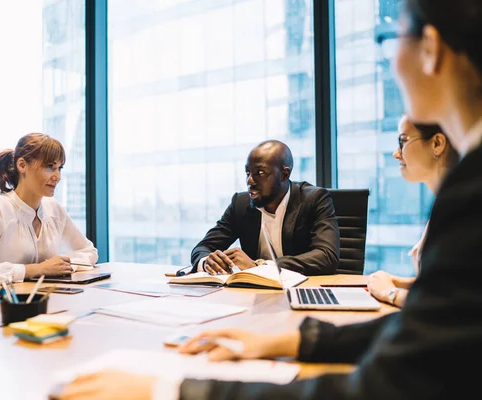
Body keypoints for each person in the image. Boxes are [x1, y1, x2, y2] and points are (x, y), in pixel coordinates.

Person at [59, 0, 482, 398]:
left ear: (431, 49)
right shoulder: (241, 203)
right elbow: (429, 332)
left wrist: (171, 390)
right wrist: (295, 336)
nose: (389, 60)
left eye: (391, 42)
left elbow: (387, 385)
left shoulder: (467, 193)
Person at [0, 133, 98, 286]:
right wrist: (36, 269)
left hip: (46, 299)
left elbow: (89, 252)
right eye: (50, 167)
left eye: (59, 168)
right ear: (22, 165)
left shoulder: (54, 207)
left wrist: (64, 263)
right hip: (6, 304)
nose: (57, 176)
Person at [190, 140, 340, 276]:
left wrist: (260, 266)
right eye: (248, 173)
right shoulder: (240, 204)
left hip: (301, 291)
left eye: (260, 173)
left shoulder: (314, 199)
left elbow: (326, 256)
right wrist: (207, 262)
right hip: (256, 296)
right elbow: (203, 247)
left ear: (284, 174)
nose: (250, 181)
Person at [367, 116, 458, 307]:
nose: (396, 154)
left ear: (437, 143)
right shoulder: (445, 203)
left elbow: (450, 305)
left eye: (403, 141)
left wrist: (390, 292)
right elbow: (447, 285)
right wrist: (397, 281)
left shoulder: (463, 211)